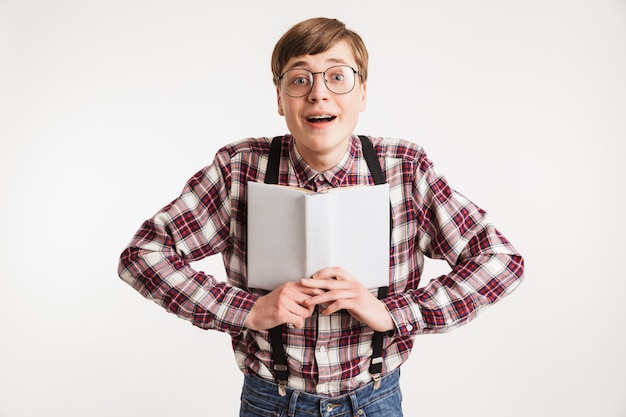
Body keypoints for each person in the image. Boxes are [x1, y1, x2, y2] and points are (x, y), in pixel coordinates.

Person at [118, 17, 524, 416]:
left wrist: (393, 313)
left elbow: (500, 260)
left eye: (337, 77)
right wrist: (247, 311)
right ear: (279, 98)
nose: (318, 94)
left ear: (362, 92)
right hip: (271, 402)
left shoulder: (405, 169)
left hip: (374, 400)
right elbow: (143, 255)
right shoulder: (238, 169)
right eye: (299, 80)